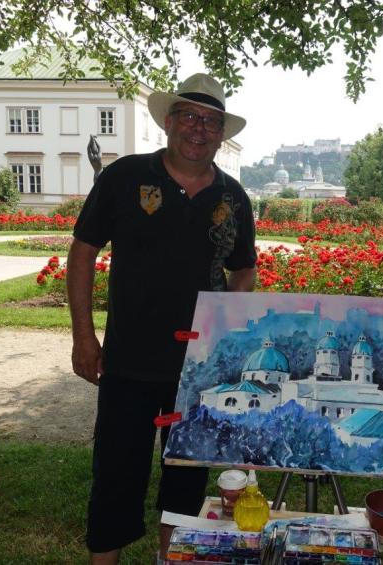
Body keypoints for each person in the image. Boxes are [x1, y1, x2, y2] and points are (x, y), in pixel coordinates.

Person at [67, 73, 257, 565]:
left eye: (211, 121)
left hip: (198, 372)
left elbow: (244, 270)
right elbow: (83, 251)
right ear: (169, 123)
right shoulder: (125, 177)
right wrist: (84, 337)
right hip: (127, 363)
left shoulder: (234, 198)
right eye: (189, 116)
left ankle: (170, 559)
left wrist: (226, 332)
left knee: (186, 481)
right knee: (115, 475)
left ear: (221, 134)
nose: (199, 128)